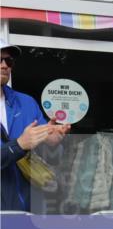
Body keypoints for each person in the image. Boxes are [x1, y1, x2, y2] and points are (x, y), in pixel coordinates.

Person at [1, 43, 71, 212]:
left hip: (26, 210)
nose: (4, 66)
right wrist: (18, 145)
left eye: (9, 61)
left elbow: (51, 158)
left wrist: (51, 142)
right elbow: (21, 145)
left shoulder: (26, 102)